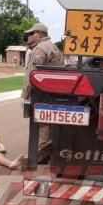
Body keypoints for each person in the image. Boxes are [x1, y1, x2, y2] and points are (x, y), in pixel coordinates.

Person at [20, 22, 64, 161]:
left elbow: (32, 74)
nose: (29, 36)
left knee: (41, 121)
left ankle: (42, 153)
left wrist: (25, 94)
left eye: (31, 33)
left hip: (42, 90)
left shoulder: (40, 49)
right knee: (50, 121)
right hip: (55, 90)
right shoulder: (54, 47)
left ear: (39, 34)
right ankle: (50, 150)